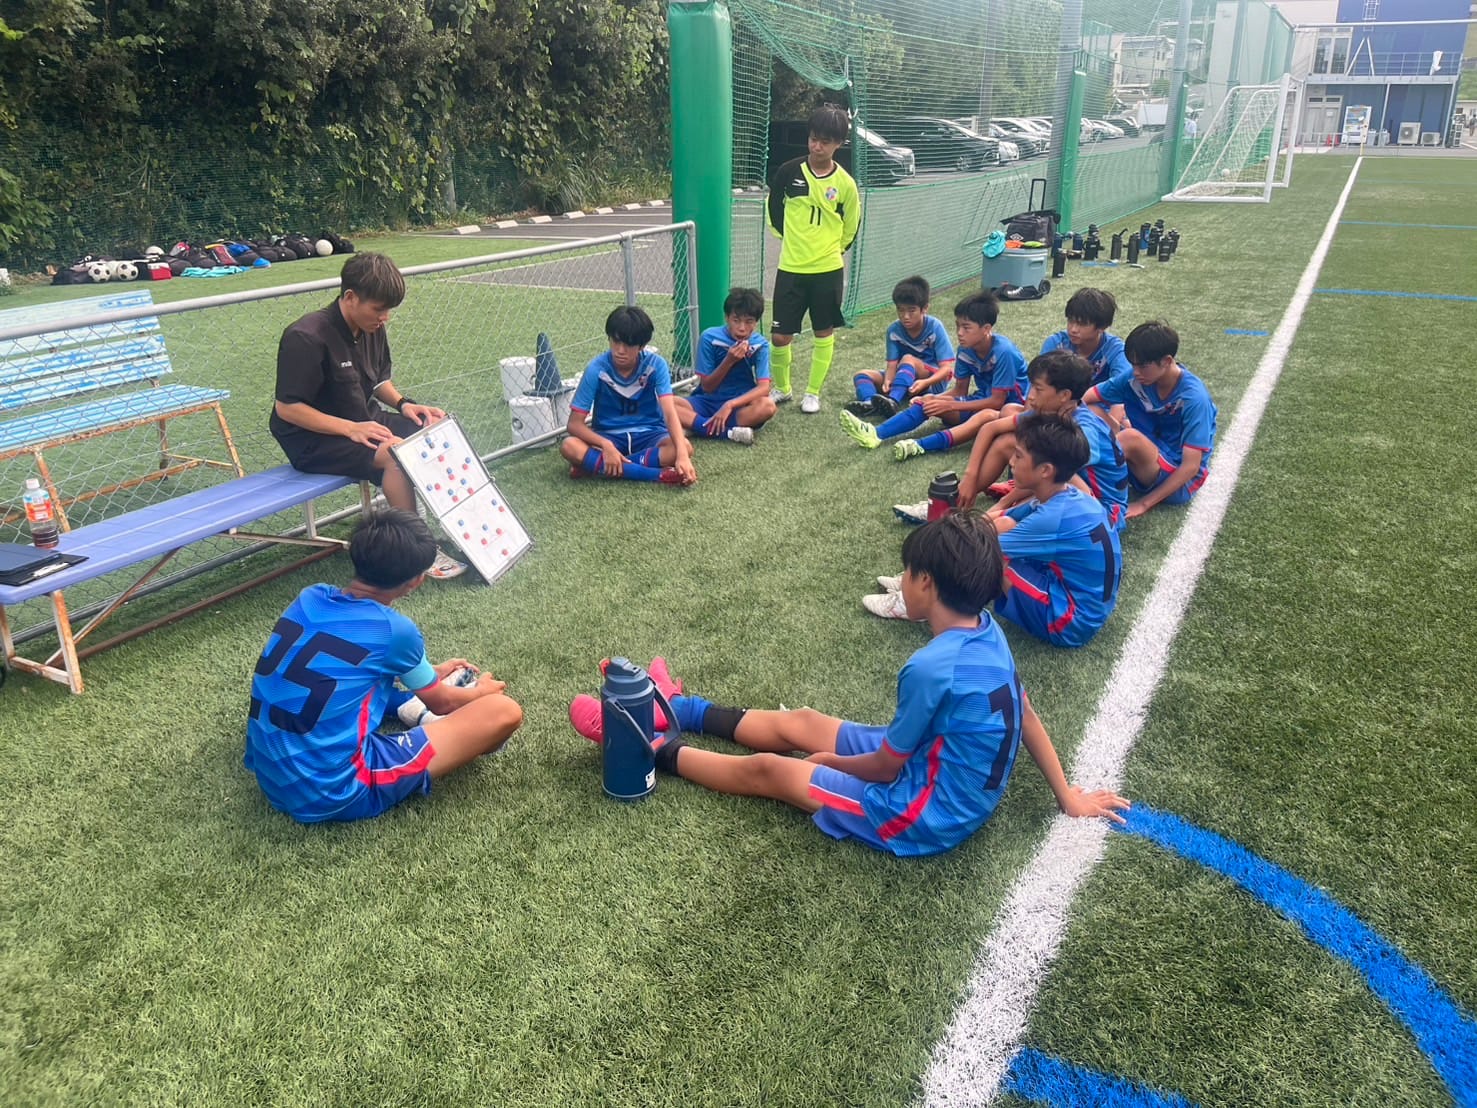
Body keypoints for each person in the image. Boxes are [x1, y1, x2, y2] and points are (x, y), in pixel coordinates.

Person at [571, 514, 1128, 856]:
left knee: (775, 770)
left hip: (921, 813)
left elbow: (884, 769)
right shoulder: (988, 631)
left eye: (906, 572)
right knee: (805, 722)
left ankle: (646, 744)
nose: (902, 580)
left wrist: (829, 763)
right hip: (932, 764)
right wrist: (1066, 795)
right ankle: (677, 705)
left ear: (926, 583)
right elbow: (1026, 716)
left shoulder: (930, 667)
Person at [244, 509, 523, 823]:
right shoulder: (394, 630)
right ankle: (422, 717)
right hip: (333, 789)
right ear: (416, 581)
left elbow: (338, 670)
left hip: (271, 770)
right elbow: (443, 702)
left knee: (349, 687)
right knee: (504, 711)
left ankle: (410, 708)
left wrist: (430, 673)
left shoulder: (310, 596)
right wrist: (481, 692)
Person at [271, 252, 465, 578]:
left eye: (389, 310)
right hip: (312, 440)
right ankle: (417, 550)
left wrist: (404, 404)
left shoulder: (371, 326)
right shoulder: (305, 337)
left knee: (435, 427)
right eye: (378, 309)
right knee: (395, 454)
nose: (385, 318)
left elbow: (377, 382)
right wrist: (350, 429)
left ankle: (459, 528)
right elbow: (287, 409)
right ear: (350, 297)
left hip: (363, 420)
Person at [872, 415, 1121, 650]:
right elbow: (999, 518)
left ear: (1045, 470)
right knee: (1000, 526)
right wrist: (952, 528)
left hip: (1070, 620)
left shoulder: (1053, 517)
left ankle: (921, 601)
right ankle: (918, 577)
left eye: (1019, 456)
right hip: (1075, 595)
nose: (1011, 461)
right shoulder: (1065, 495)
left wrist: (944, 543)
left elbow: (974, 548)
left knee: (985, 556)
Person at [839, 290, 1027, 461]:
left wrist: (950, 404)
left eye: (966, 327)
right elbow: (959, 390)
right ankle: (875, 433)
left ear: (986, 329)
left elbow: (997, 401)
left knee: (980, 415)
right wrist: (933, 399)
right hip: (982, 400)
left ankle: (918, 446)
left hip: (1011, 409)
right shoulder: (965, 350)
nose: (959, 333)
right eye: (957, 326)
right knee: (928, 404)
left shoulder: (1004, 352)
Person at [950, 351, 1128, 530]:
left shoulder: (1084, 430)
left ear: (1064, 395)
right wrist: (970, 478)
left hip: (1102, 510)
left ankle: (996, 515)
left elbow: (1055, 477)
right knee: (1007, 443)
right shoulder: (1052, 411)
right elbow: (990, 428)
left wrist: (1003, 505)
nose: (1030, 396)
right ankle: (960, 499)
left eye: (1038, 389)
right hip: (1066, 484)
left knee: (1013, 515)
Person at [766, 103, 862, 414]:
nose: (816, 146)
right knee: (780, 335)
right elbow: (773, 210)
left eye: (824, 141)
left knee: (823, 330)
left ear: (838, 144)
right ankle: (782, 388)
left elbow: (851, 226)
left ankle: (813, 393)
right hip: (791, 267)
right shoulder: (788, 172)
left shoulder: (845, 184)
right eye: (812, 139)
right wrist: (792, 240)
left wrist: (832, 249)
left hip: (828, 269)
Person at [1082, 320, 1216, 520]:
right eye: (1133, 364)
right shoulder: (1135, 378)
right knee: (1090, 411)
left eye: (1143, 366)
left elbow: (1191, 467)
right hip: (1145, 459)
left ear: (1167, 361)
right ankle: (1074, 474)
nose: (1136, 371)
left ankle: (1072, 483)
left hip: (1178, 480)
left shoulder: (1194, 399)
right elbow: (1087, 398)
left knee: (1130, 437)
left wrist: (1143, 504)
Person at [558, 305, 697, 485]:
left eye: (628, 344)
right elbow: (574, 424)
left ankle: (597, 466)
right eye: (615, 342)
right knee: (569, 446)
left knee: (685, 447)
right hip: (609, 436)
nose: (620, 350)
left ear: (642, 346)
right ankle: (656, 475)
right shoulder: (596, 369)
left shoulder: (656, 365)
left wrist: (682, 456)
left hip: (650, 434)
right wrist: (606, 445)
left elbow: (670, 413)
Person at [673, 287, 777, 444]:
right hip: (707, 402)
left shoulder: (760, 344)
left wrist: (730, 405)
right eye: (736, 320)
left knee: (768, 406)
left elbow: (764, 388)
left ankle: (695, 424)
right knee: (665, 404)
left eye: (749, 321)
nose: (742, 328)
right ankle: (726, 432)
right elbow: (707, 387)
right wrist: (729, 360)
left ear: (756, 322)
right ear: (727, 318)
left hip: (740, 405)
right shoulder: (709, 337)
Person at [845, 275, 956, 418]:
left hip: (931, 383)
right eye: (901, 310)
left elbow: (946, 369)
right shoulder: (894, 330)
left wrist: (925, 382)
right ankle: (870, 403)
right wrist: (887, 381)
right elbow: (892, 366)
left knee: (908, 359)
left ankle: (893, 401)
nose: (905, 316)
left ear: (925, 308)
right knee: (862, 375)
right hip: (903, 377)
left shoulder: (935, 327)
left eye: (911, 310)